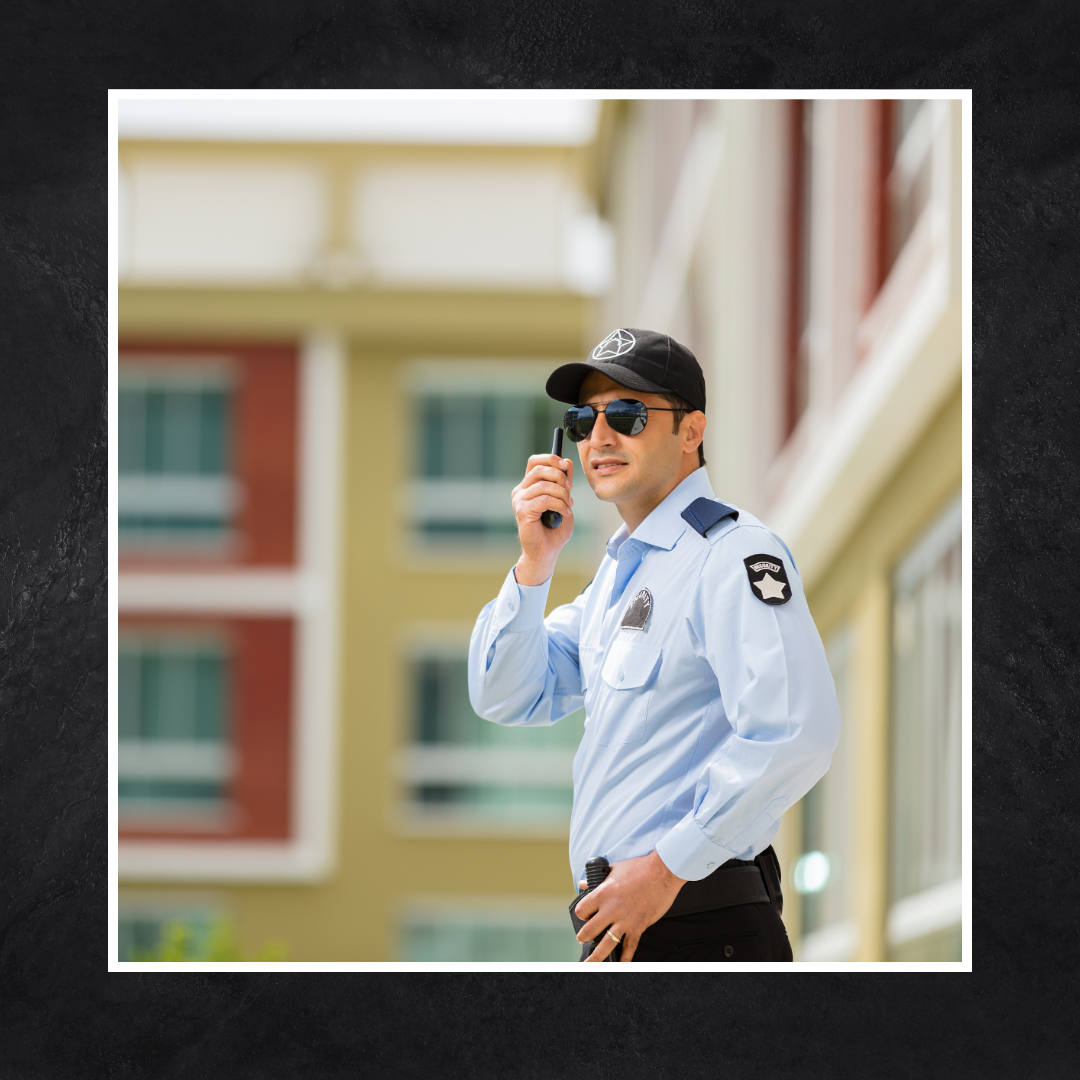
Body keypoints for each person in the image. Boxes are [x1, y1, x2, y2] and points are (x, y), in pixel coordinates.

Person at [467, 328, 841, 962]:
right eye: (584, 421)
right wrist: (534, 565)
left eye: (628, 415)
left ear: (691, 432)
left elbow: (795, 732)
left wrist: (667, 869)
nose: (600, 438)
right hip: (630, 925)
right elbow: (505, 693)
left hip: (700, 919)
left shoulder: (732, 554)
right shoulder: (618, 577)